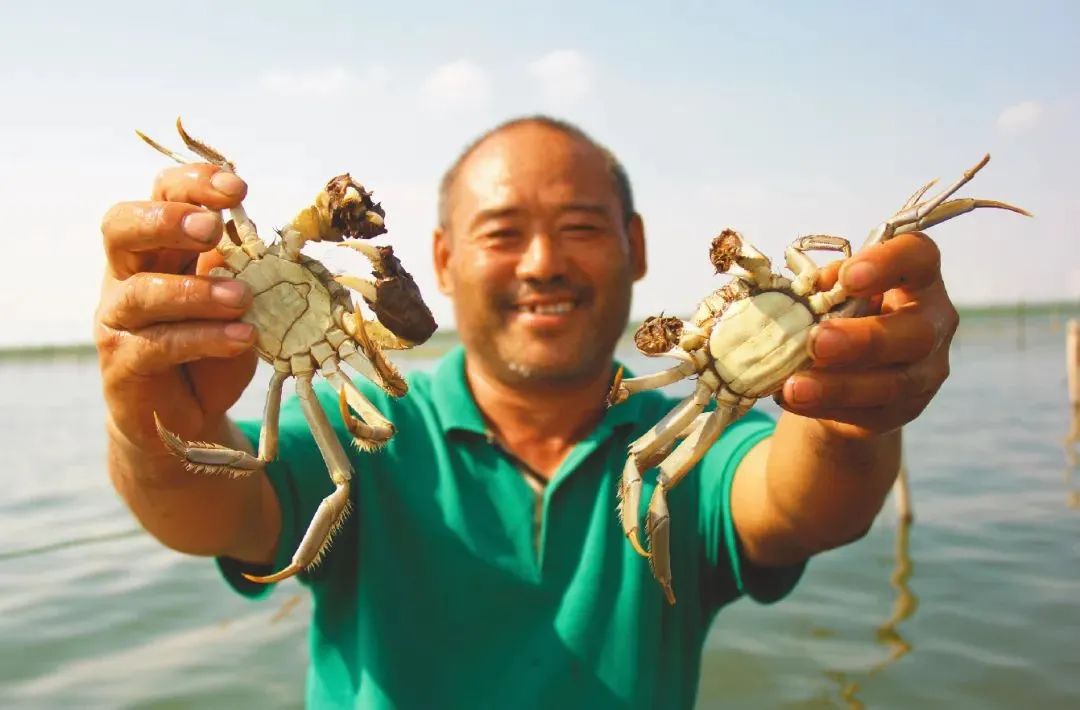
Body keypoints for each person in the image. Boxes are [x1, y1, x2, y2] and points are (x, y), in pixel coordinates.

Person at [96, 116, 958, 708]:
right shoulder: (375, 438)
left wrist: (850, 411)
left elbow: (807, 503)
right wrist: (144, 416)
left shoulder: (677, 458)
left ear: (639, 248)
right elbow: (204, 504)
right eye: (502, 232)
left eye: (581, 227)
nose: (542, 262)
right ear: (439, 259)